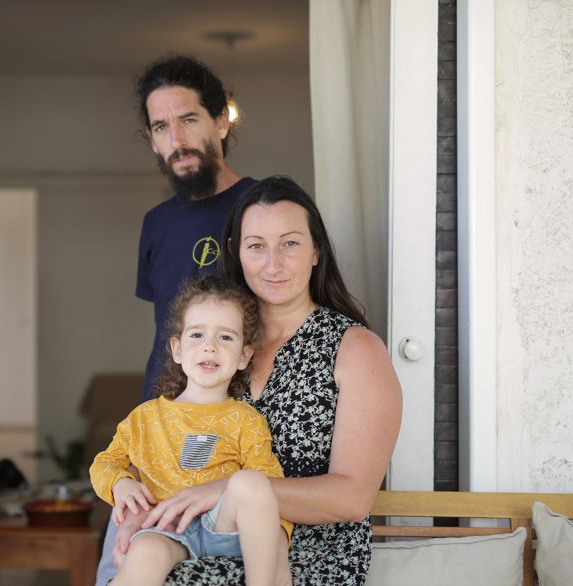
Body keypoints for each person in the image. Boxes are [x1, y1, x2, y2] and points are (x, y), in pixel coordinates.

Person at [109, 176, 403, 585]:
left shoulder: (355, 350)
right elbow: (171, 447)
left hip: (309, 562)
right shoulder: (217, 346)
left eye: (290, 243)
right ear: (236, 251)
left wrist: (226, 488)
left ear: (316, 250)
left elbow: (353, 498)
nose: (273, 263)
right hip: (202, 541)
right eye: (257, 246)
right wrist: (143, 510)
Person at [90, 276, 292, 586]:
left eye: (226, 337)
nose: (210, 346)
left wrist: (277, 537)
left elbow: (266, 486)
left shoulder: (246, 419)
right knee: (145, 552)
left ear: (243, 356)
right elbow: (105, 463)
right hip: (164, 527)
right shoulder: (145, 418)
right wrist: (121, 485)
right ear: (177, 349)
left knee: (252, 482)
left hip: (224, 527)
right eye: (197, 334)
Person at [134, 54, 256, 402]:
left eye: (188, 119)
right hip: (164, 416)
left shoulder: (264, 209)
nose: (177, 140)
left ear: (220, 122)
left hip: (241, 419)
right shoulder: (155, 223)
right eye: (161, 127)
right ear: (152, 139)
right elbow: (166, 335)